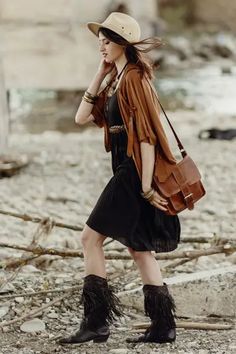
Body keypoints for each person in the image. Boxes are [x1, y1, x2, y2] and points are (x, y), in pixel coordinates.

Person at [58, 12, 181, 346]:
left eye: (107, 40)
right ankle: (163, 326)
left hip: (131, 172)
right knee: (140, 249)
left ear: (123, 43)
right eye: (100, 40)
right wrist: (100, 73)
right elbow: (81, 117)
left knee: (89, 238)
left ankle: (96, 323)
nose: (101, 45)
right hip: (126, 169)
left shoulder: (134, 79)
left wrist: (143, 185)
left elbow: (147, 138)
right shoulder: (119, 77)